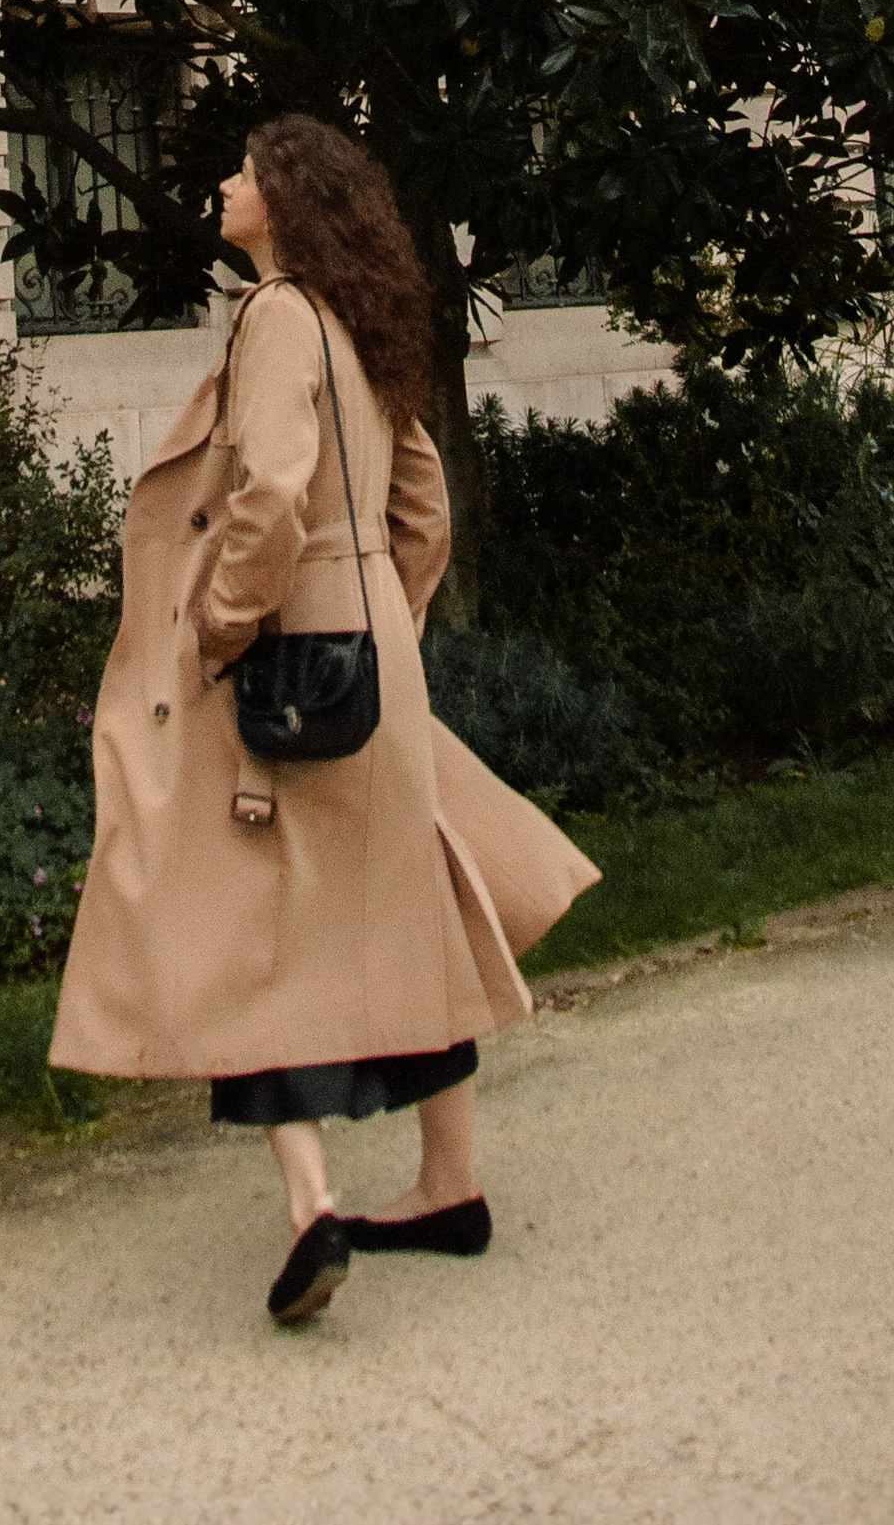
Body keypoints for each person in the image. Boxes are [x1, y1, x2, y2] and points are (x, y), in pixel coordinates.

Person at [49, 114, 601, 1326]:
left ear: (285, 202)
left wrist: (224, 628)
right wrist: (380, 633)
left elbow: (272, 489)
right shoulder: (362, 323)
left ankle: (310, 1212)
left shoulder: (280, 316)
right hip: (369, 659)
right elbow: (424, 513)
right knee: (409, 908)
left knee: (245, 921)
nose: (221, 183)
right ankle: (447, 1185)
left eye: (241, 172)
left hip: (282, 659)